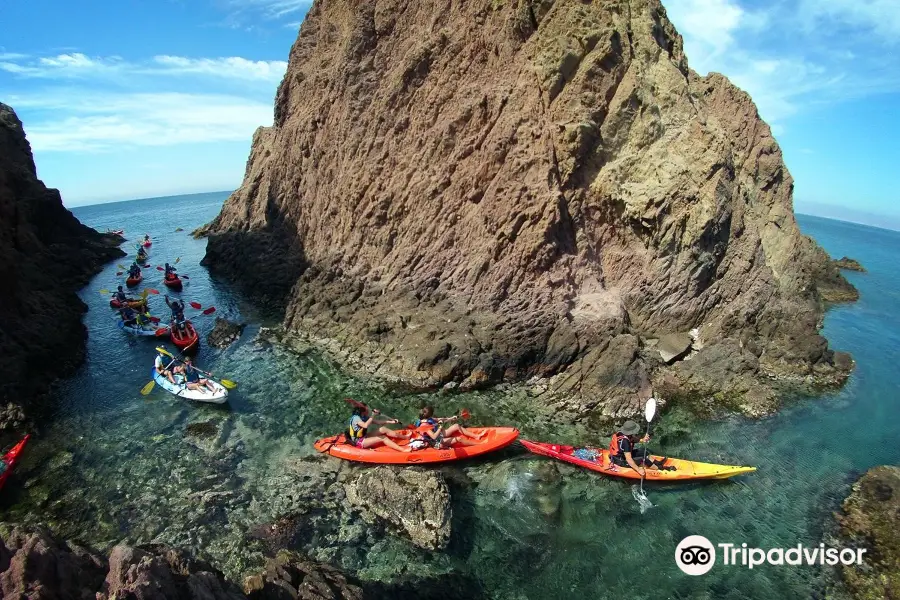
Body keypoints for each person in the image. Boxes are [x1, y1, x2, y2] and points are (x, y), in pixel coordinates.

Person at [608, 420, 674, 475]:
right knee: (643, 459)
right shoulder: (625, 442)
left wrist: (643, 440)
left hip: (622, 455)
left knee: (644, 451)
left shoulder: (622, 433)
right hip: (620, 460)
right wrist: (638, 469)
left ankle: (657, 463)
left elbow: (632, 439)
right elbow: (629, 459)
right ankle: (660, 469)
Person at [410, 406, 484, 449]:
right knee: (459, 439)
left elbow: (441, 419)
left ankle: (476, 436)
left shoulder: (429, 419)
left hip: (440, 435)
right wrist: (440, 427)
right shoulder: (425, 426)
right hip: (435, 442)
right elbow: (434, 437)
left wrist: (452, 418)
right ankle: (478, 445)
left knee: (456, 426)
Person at [346, 404, 411, 452]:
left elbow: (378, 422)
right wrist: (373, 415)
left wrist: (391, 421)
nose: (368, 410)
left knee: (383, 429)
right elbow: (365, 425)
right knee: (383, 438)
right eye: (367, 409)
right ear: (362, 411)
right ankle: (402, 450)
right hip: (359, 441)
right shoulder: (356, 418)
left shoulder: (364, 417)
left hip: (364, 436)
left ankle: (406, 437)